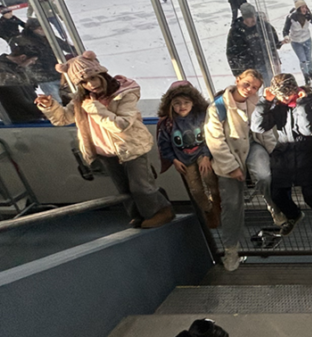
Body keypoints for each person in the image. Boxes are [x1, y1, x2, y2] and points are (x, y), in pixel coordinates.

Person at [36, 51, 174, 229]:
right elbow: (63, 119)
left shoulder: (123, 94)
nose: (91, 84)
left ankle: (160, 212)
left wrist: (96, 109)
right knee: (124, 189)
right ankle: (139, 215)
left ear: (102, 74)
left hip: (130, 147)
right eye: (84, 82)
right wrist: (49, 106)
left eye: (93, 78)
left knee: (140, 187)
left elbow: (122, 124)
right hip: (105, 152)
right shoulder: (82, 99)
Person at [205, 70, 280, 271]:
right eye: (247, 84)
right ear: (237, 80)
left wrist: (274, 154)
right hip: (229, 156)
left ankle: (274, 207)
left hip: (253, 146)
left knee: (265, 175)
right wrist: (232, 168)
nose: (249, 90)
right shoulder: (218, 107)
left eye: (254, 87)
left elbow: (264, 131)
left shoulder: (257, 103)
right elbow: (215, 141)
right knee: (232, 205)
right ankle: (231, 249)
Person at [251, 73, 312, 237]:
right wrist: (264, 102)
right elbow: (258, 127)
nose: (285, 98)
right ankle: (293, 215)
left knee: (310, 194)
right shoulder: (278, 107)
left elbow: (307, 130)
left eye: (287, 94)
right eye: (280, 96)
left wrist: (301, 104)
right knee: (277, 194)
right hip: (284, 154)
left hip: (306, 153)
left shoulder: (308, 103)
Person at [157, 81, 220, 228]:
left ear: (194, 102)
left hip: (202, 154)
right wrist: (174, 160)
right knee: (195, 189)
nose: (182, 106)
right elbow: (164, 145)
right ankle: (208, 210)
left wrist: (206, 156)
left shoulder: (201, 116)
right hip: (184, 160)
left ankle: (217, 201)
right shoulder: (168, 123)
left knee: (209, 177)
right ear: (170, 105)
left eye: (186, 102)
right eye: (177, 103)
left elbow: (210, 137)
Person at [0, 36, 43, 123]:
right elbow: (17, 97)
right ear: (23, 57)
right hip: (19, 117)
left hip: (29, 113)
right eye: (33, 60)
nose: (33, 63)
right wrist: (40, 111)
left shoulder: (16, 67)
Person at [21, 18, 73, 103]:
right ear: (32, 30)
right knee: (57, 101)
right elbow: (30, 63)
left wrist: (76, 51)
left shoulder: (49, 37)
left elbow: (65, 46)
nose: (43, 30)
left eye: (44, 27)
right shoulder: (26, 42)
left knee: (70, 98)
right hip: (45, 77)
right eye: (40, 28)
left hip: (57, 73)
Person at [227, 3, 281, 82]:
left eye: (254, 16)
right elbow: (231, 53)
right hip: (247, 69)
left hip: (265, 64)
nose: (253, 19)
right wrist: (237, 72)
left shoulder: (264, 26)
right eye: (250, 18)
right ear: (244, 18)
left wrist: (276, 60)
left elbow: (273, 44)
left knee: (269, 85)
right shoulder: (235, 31)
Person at [283, 0, 312, 86]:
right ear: (298, 8)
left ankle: (311, 73)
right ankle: (306, 77)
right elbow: (285, 29)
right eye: (302, 7)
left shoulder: (307, 16)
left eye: (305, 7)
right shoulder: (291, 17)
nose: (304, 9)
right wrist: (286, 36)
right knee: (303, 60)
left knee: (308, 58)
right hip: (296, 41)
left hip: (307, 39)